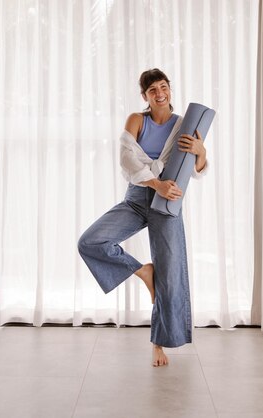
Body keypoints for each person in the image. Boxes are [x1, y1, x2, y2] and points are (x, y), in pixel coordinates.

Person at [77, 68, 208, 367]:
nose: (160, 93)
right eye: (153, 90)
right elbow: (127, 160)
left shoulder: (182, 124)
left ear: (170, 89)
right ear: (145, 96)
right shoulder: (137, 120)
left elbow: (197, 170)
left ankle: (157, 344)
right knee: (91, 241)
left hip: (167, 202)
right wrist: (155, 182)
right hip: (137, 198)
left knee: (171, 278)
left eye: (164, 87)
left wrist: (200, 152)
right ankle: (142, 272)